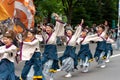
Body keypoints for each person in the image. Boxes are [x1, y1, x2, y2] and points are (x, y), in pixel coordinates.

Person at [41, 13, 65, 80]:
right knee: (43, 63)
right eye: (46, 28)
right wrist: (43, 29)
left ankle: (51, 77)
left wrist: (57, 18)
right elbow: (43, 32)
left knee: (51, 64)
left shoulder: (54, 33)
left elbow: (57, 26)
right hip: (46, 50)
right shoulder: (45, 35)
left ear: (52, 29)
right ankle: (44, 76)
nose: (47, 29)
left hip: (53, 50)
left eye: (49, 28)